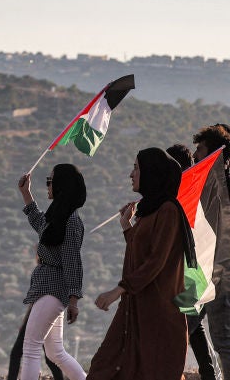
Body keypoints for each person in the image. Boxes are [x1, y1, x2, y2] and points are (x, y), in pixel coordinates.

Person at [86, 148, 194, 379]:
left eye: (136, 168)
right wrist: (127, 226)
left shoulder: (168, 211)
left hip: (157, 313)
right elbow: (141, 253)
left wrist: (118, 289)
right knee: (104, 366)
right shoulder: (149, 211)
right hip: (137, 308)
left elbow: (156, 261)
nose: (131, 174)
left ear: (152, 173)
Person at [14, 165, 86, 380]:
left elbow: (73, 261)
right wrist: (27, 194)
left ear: (62, 185)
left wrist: (74, 300)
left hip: (53, 290)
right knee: (55, 352)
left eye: (50, 180)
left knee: (30, 346)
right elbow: (40, 225)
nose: (48, 185)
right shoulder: (58, 216)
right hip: (48, 287)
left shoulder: (71, 221)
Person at [169, 142, 221, 380]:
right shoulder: (185, 195)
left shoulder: (186, 196)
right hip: (193, 275)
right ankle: (210, 373)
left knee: (183, 328)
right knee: (192, 325)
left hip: (194, 275)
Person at [193, 125, 230, 378]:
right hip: (203, 270)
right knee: (184, 322)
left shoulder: (221, 187)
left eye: (200, 151)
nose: (196, 156)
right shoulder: (209, 184)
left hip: (219, 273)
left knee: (224, 341)